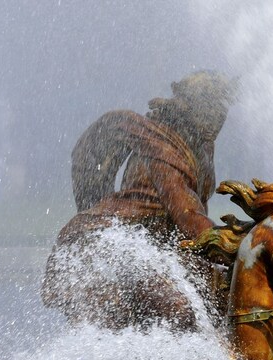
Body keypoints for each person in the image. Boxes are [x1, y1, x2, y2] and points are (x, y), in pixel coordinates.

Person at [42, 71, 235, 329]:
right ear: (194, 108)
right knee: (177, 309)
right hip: (112, 243)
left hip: (156, 245)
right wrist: (242, 244)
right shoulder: (162, 147)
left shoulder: (200, 147)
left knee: (222, 297)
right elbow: (189, 217)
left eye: (223, 109)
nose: (220, 117)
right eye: (214, 108)